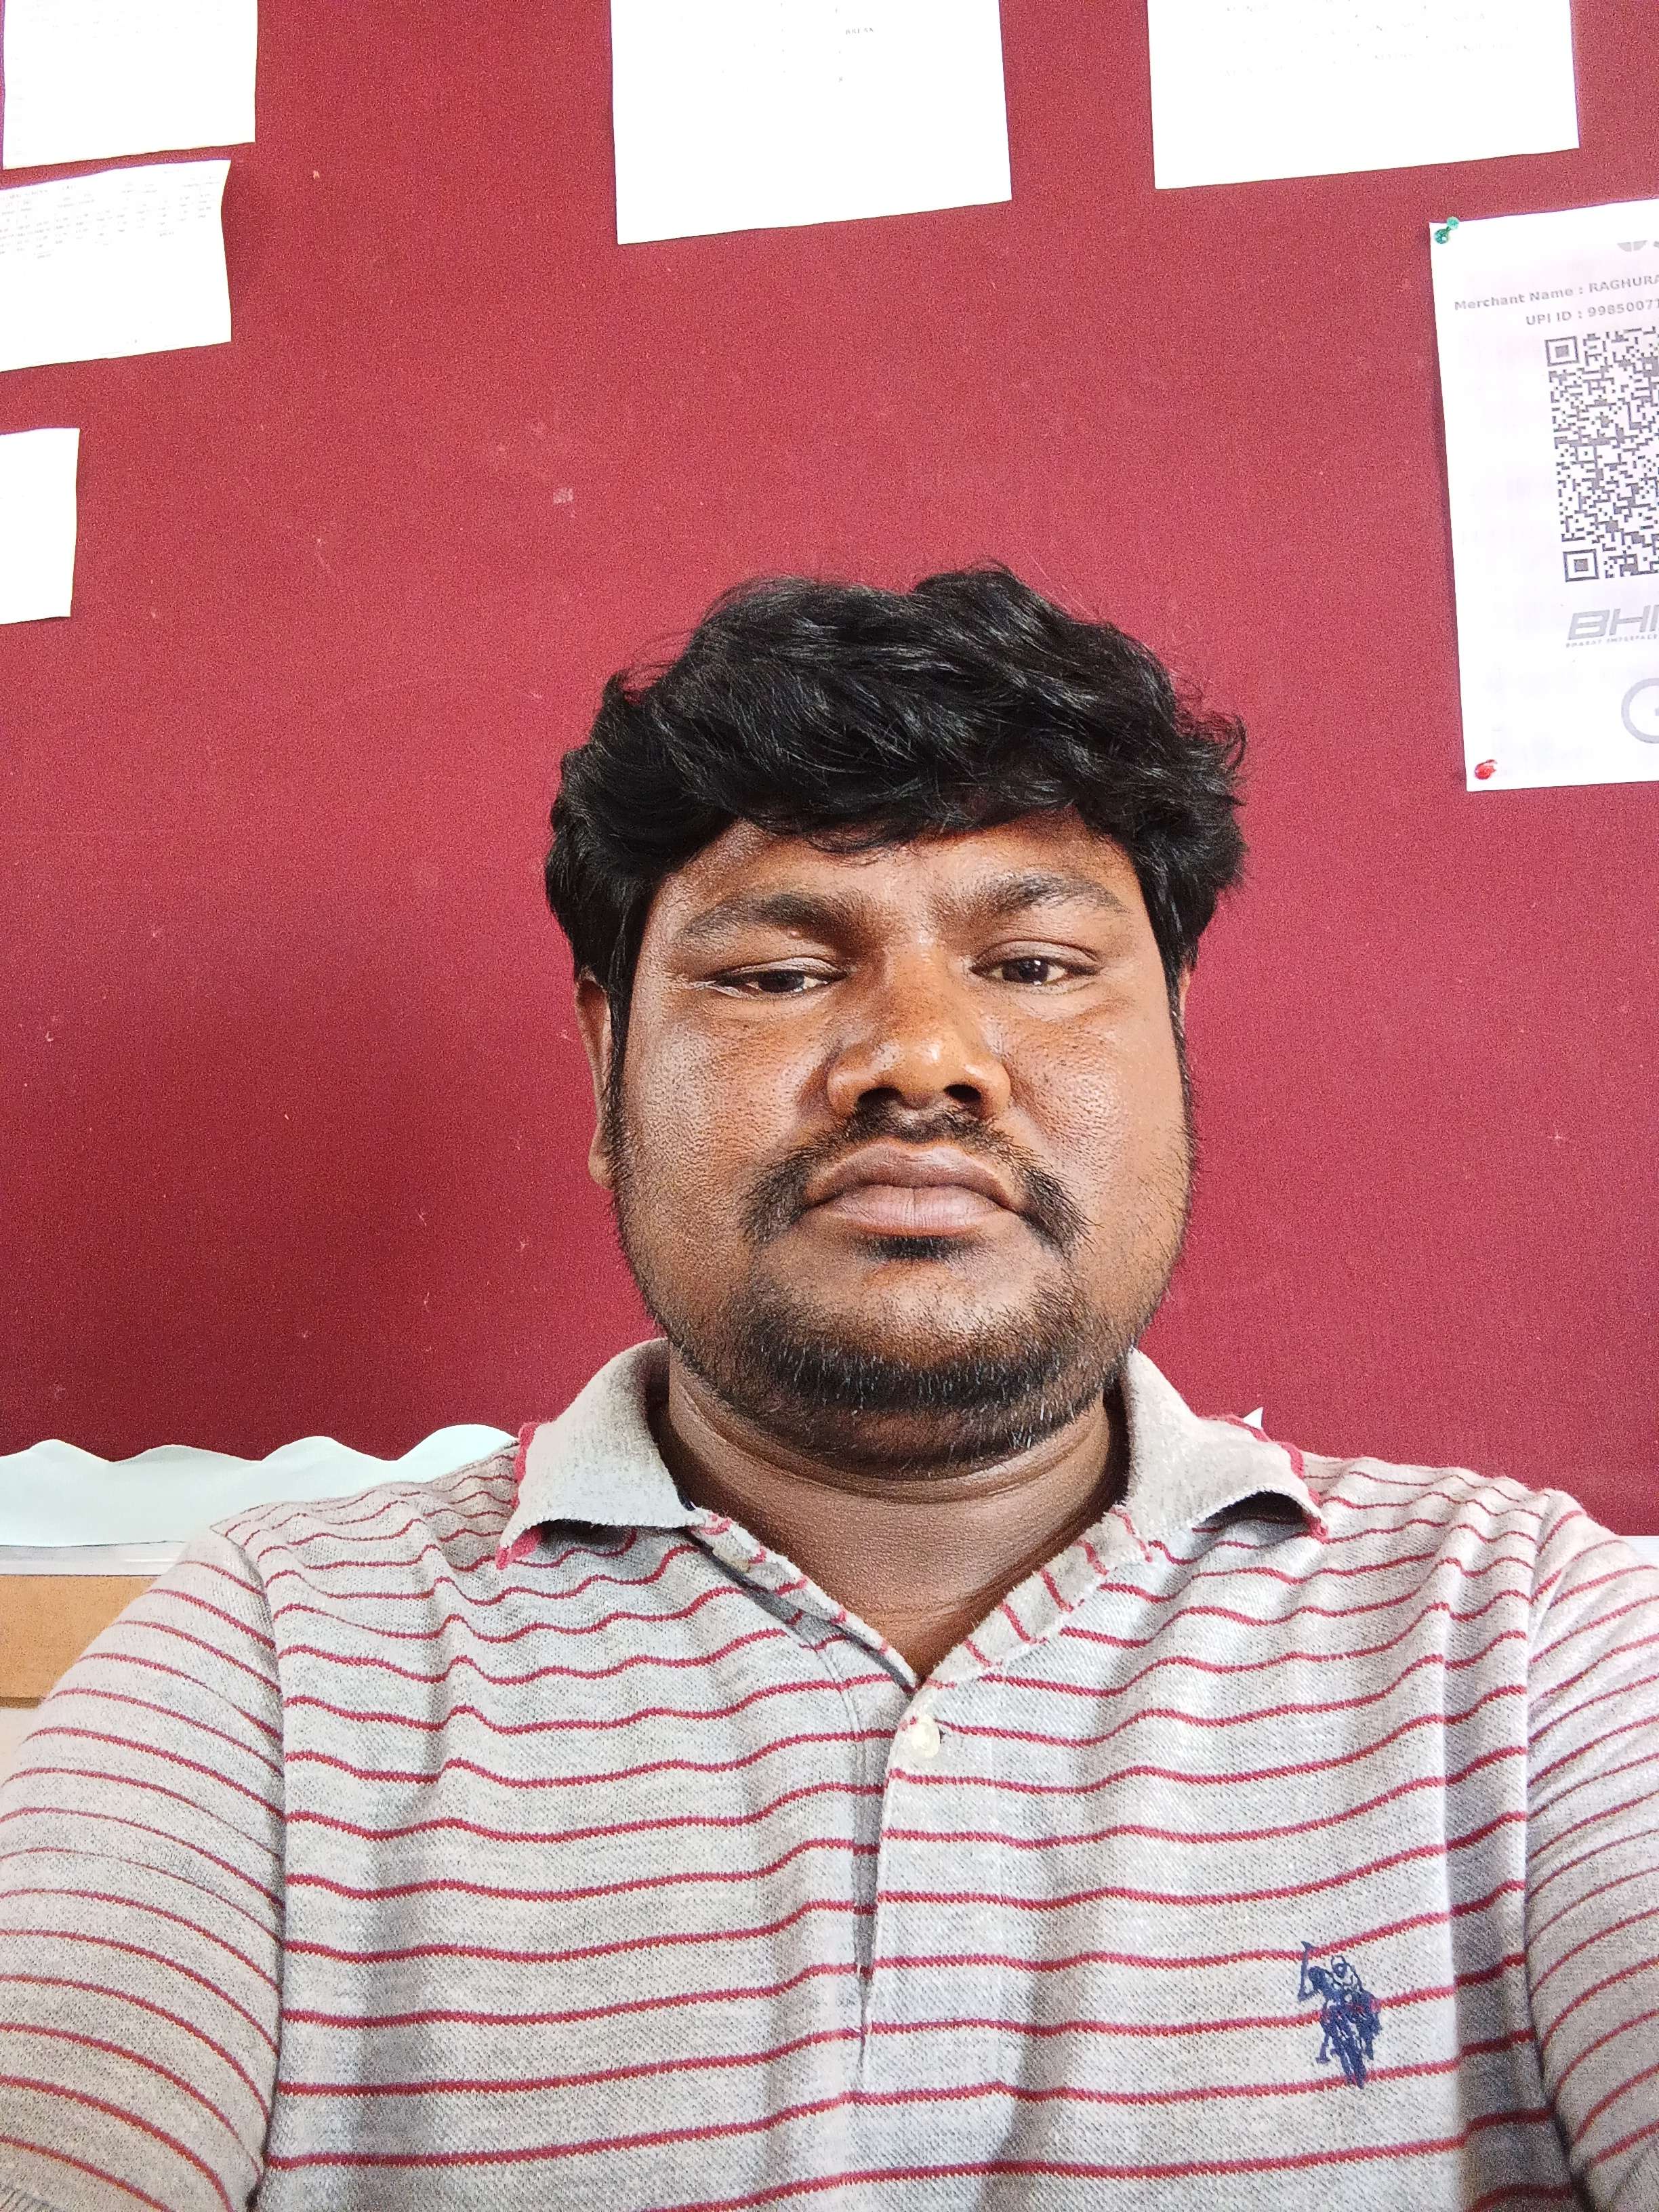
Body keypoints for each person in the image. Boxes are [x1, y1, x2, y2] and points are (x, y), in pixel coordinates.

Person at [1, 567, 1654, 2211]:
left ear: (1175, 1039)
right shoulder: (276, 1662)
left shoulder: (1524, 1643)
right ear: (604, 1069)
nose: (921, 1056)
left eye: (1035, 966)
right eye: (779, 975)